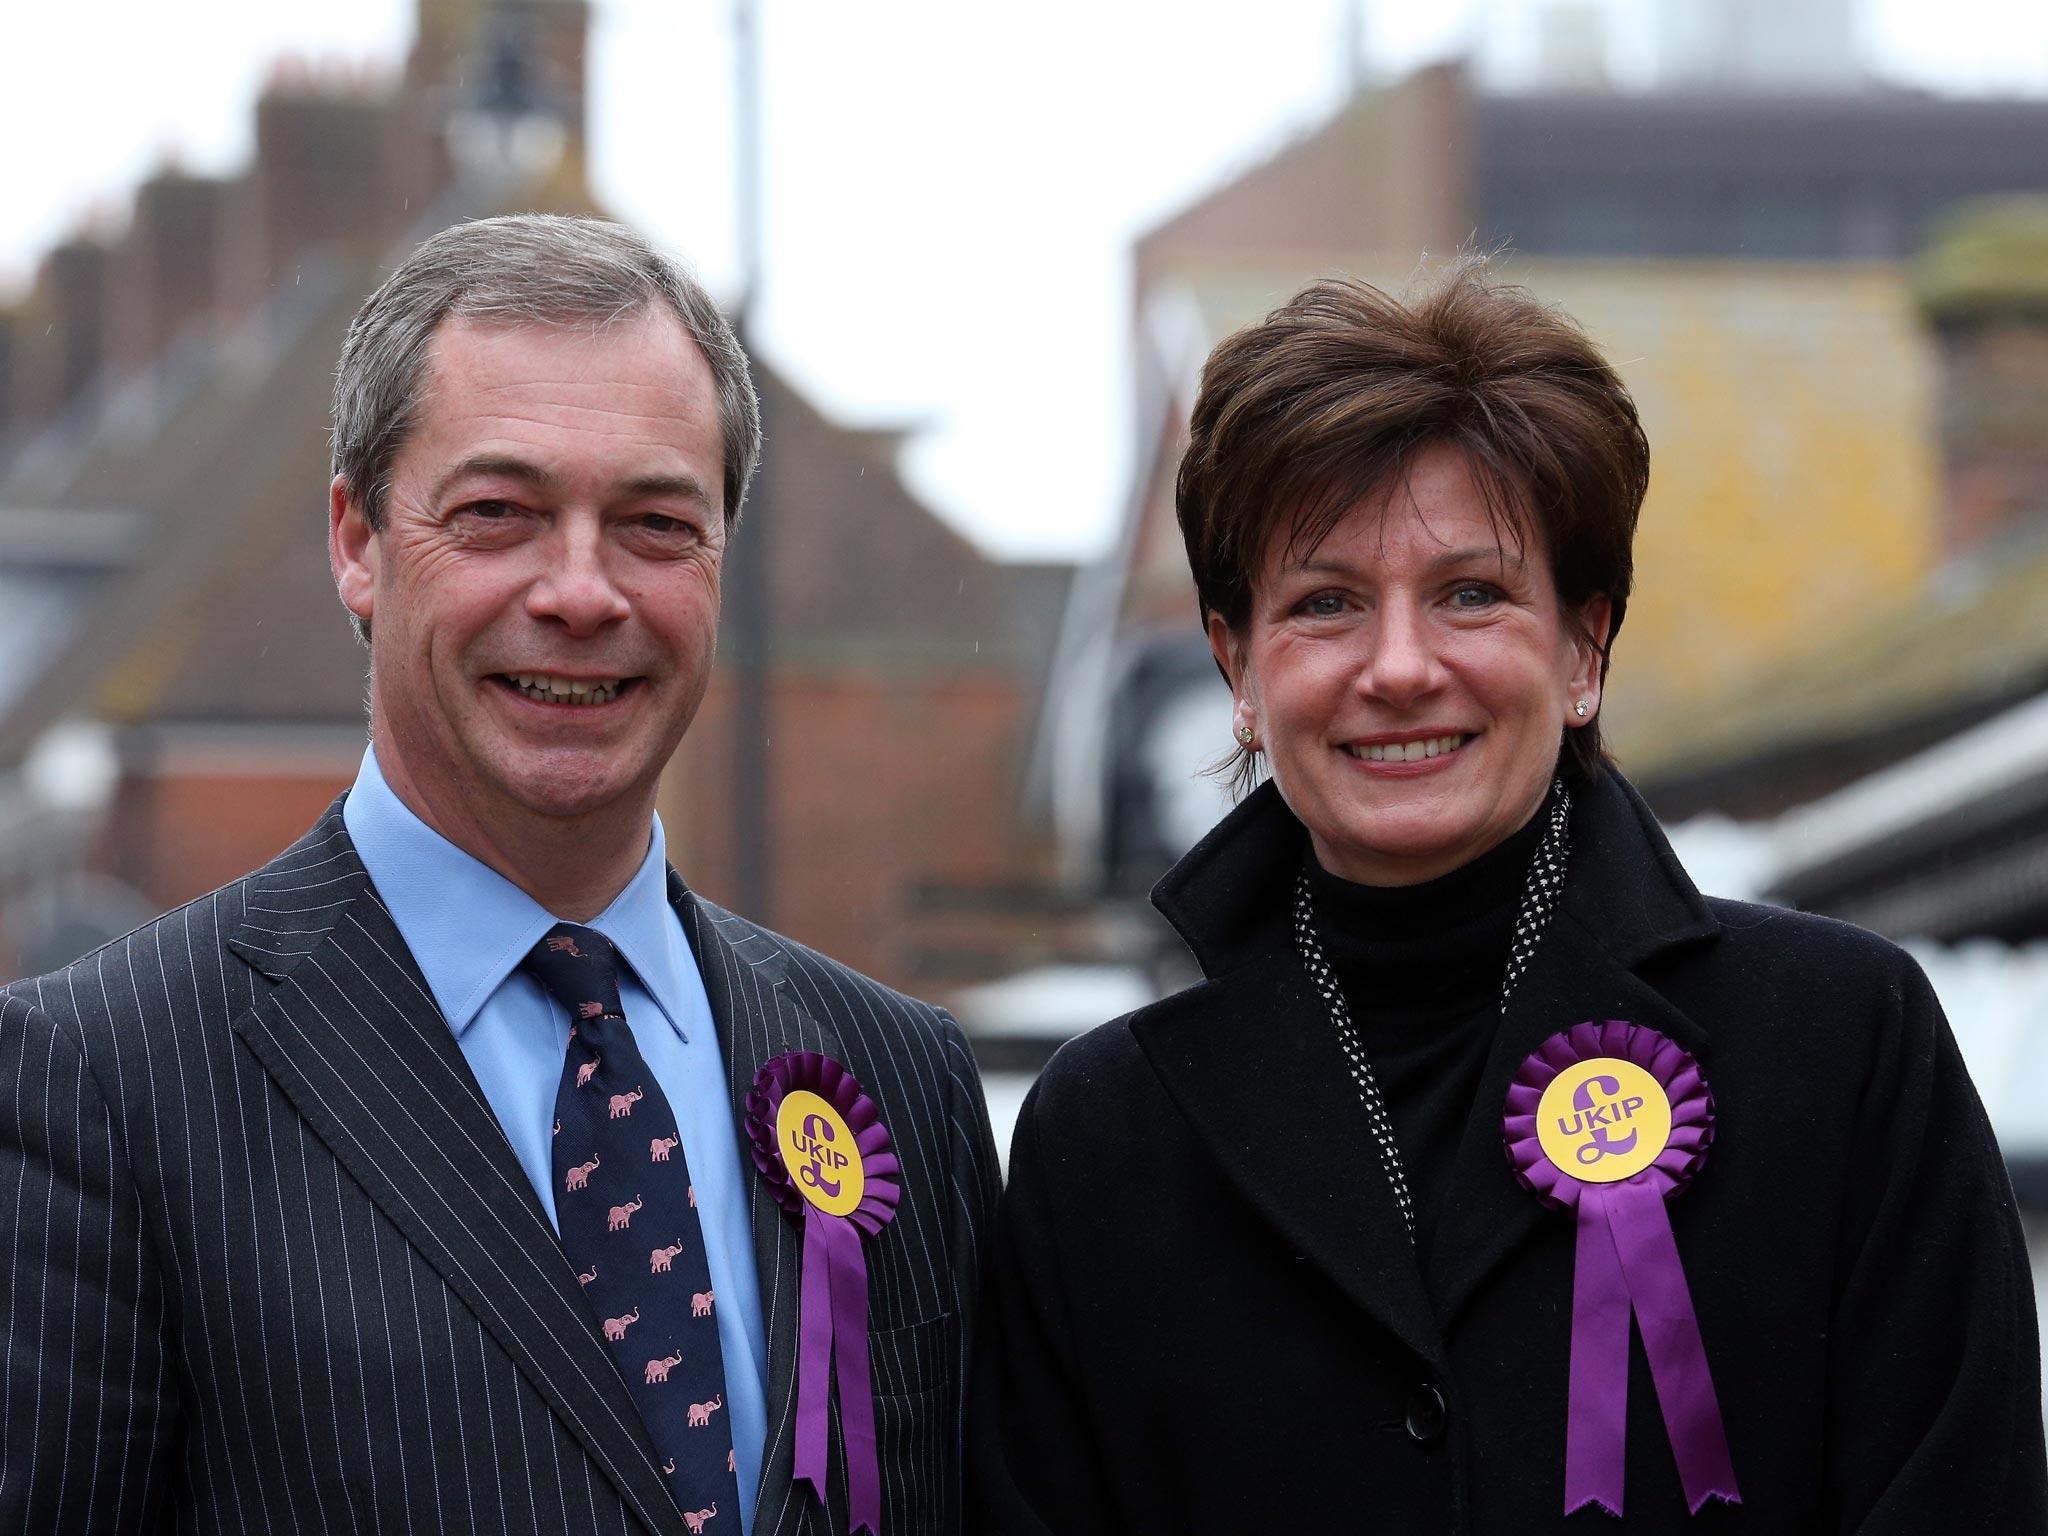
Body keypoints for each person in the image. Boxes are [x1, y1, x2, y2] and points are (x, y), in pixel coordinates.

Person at [970, 261, 2048, 1532]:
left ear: (1582, 647)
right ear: (1237, 665)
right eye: (1324, 604)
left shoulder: (1842, 1045)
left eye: (1468, 594)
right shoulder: (1102, 1137)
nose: (1398, 667)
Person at [1, 214, 999, 1536]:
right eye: (498, 515)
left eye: (654, 523)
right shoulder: (102, 1083)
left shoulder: (903, 1087)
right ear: (357, 543)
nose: (582, 593)